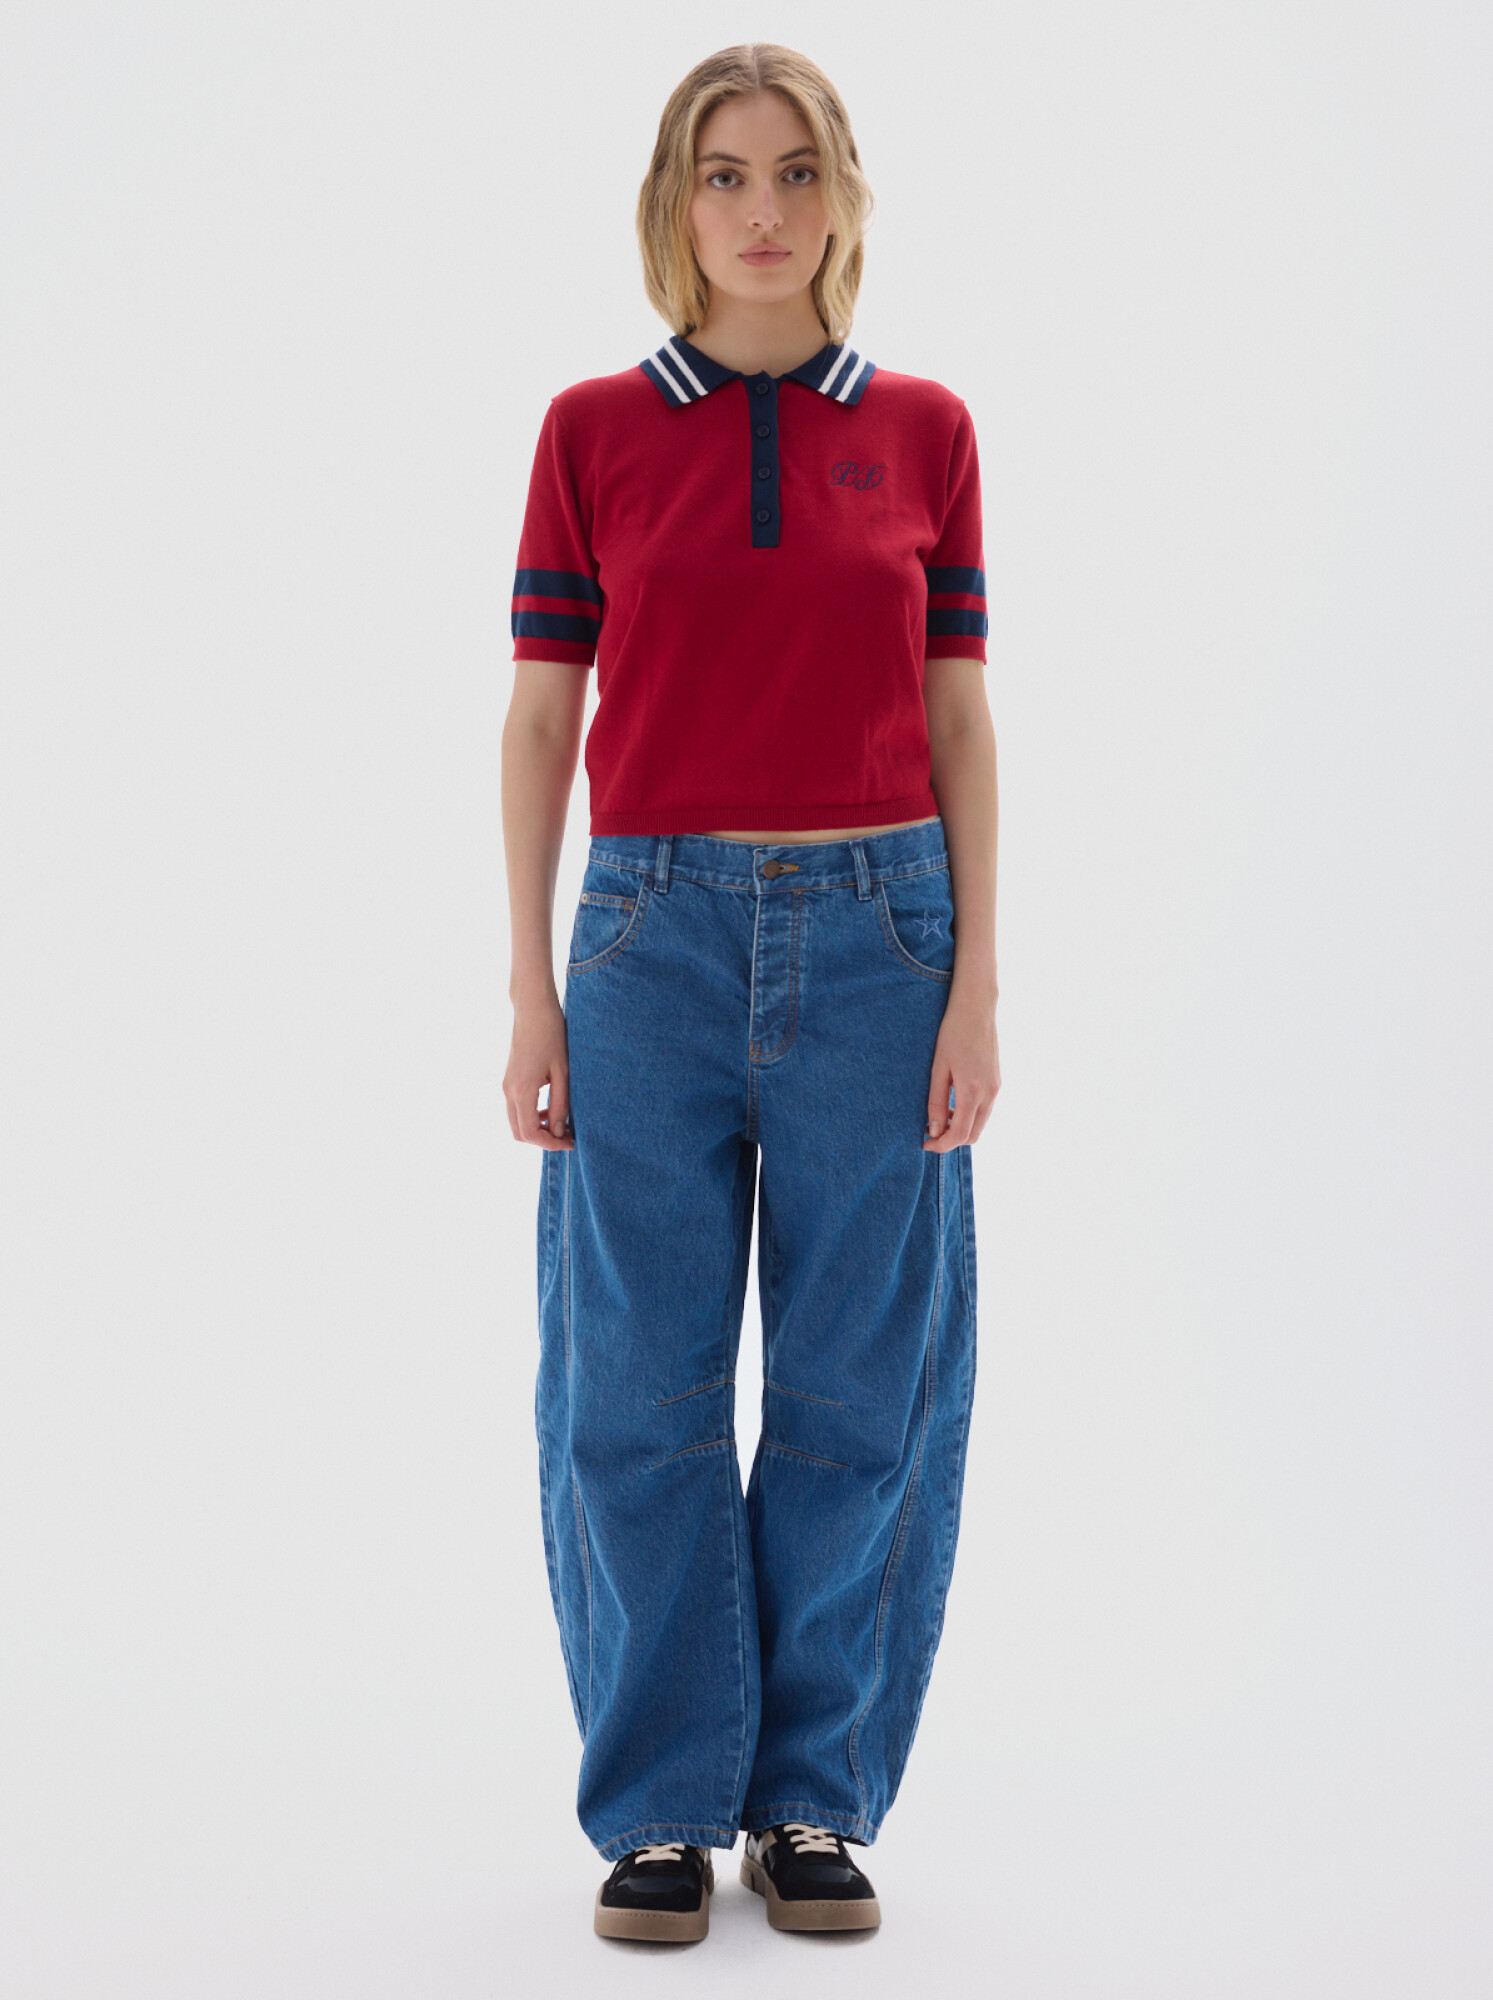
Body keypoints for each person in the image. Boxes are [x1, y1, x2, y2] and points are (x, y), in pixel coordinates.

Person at [501, 43, 1000, 1943]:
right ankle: (657, 1804)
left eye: (796, 172)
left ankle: (809, 1800)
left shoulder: (926, 431)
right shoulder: (590, 432)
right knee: (629, 1384)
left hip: (884, 933)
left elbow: (959, 717)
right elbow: (540, 717)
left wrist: (976, 983)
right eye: (725, 174)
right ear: (675, 202)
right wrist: (531, 988)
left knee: (863, 1385)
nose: (763, 210)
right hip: (647, 937)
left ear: (843, 195)